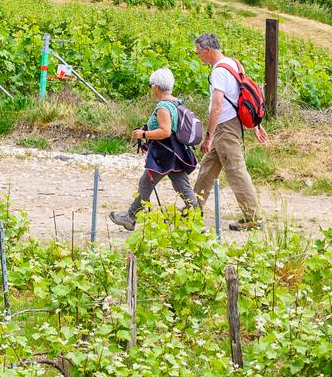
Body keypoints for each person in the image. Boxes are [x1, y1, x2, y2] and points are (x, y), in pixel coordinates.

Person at [190, 32, 265, 231]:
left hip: (224, 127)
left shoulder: (218, 72)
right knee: (207, 169)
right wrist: (256, 124)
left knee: (235, 170)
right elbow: (244, 96)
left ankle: (253, 217)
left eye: (198, 53)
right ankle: (192, 210)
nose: (199, 57)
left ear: (207, 50)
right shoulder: (234, 63)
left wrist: (209, 136)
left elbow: (217, 106)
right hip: (232, 124)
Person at [109, 68, 199, 231]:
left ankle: (130, 217)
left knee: (145, 183)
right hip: (175, 152)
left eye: (152, 85)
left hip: (163, 153)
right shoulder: (175, 102)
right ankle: (195, 220)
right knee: (182, 186)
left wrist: (142, 133)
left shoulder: (163, 106)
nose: (151, 88)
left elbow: (165, 131)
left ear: (156, 87)